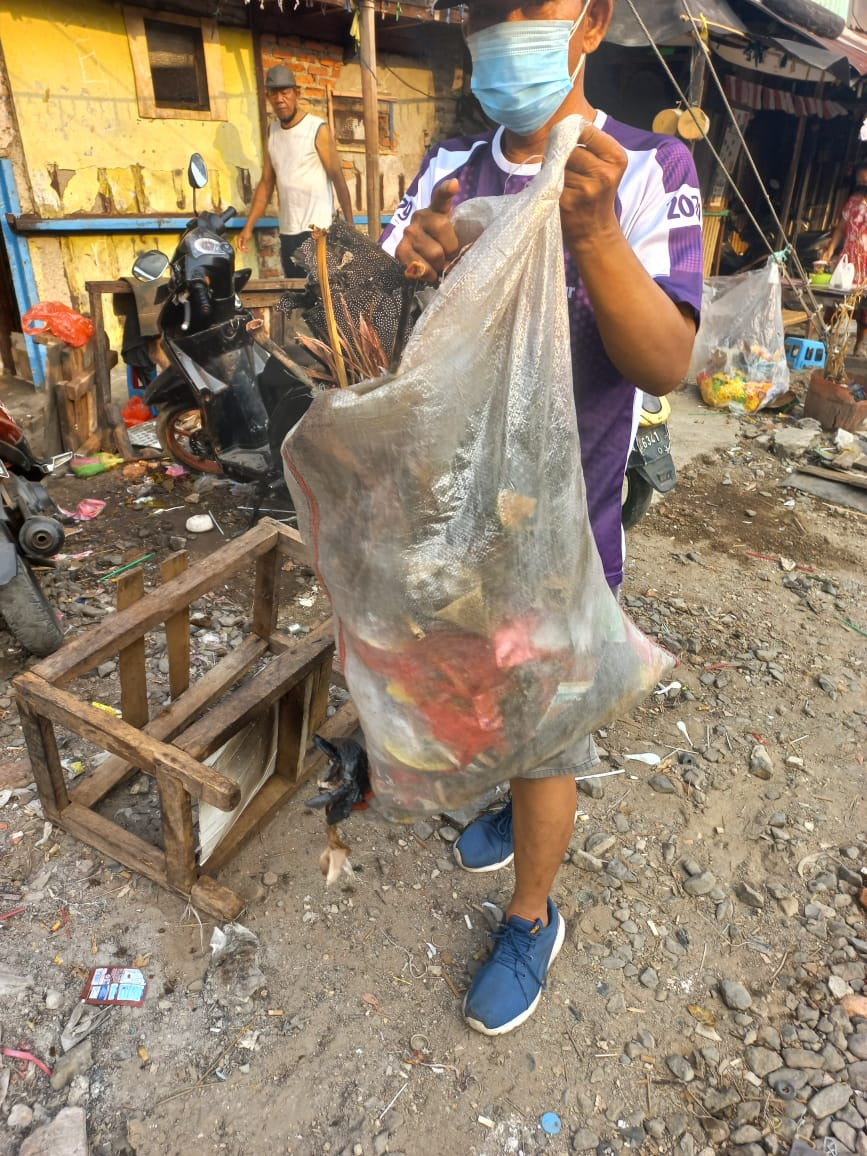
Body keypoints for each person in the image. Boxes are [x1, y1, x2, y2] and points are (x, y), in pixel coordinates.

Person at [380, 0, 702, 1036]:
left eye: (533, 4)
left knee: (552, 728)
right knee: (482, 681)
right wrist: (417, 264)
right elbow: (393, 320)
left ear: (595, 20)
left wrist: (596, 233)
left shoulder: (645, 168)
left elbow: (665, 363)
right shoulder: (451, 168)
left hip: (568, 526)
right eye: (486, 9)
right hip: (463, 516)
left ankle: (531, 912)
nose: (504, 23)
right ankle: (498, 802)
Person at [238, 65, 355, 277]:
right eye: (274, 94)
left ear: (296, 93)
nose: (280, 99)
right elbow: (266, 184)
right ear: (268, 97)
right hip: (288, 233)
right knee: (297, 298)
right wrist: (248, 227)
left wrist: (350, 226)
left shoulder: (316, 129)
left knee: (322, 300)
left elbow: (337, 177)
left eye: (285, 92)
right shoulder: (272, 132)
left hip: (318, 233)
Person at [821, 163, 867, 355]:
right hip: (848, 259)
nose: (861, 183)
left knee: (864, 309)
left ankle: (858, 347)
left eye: (864, 180)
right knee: (836, 301)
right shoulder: (853, 202)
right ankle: (825, 341)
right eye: (859, 181)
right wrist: (830, 250)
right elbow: (840, 228)